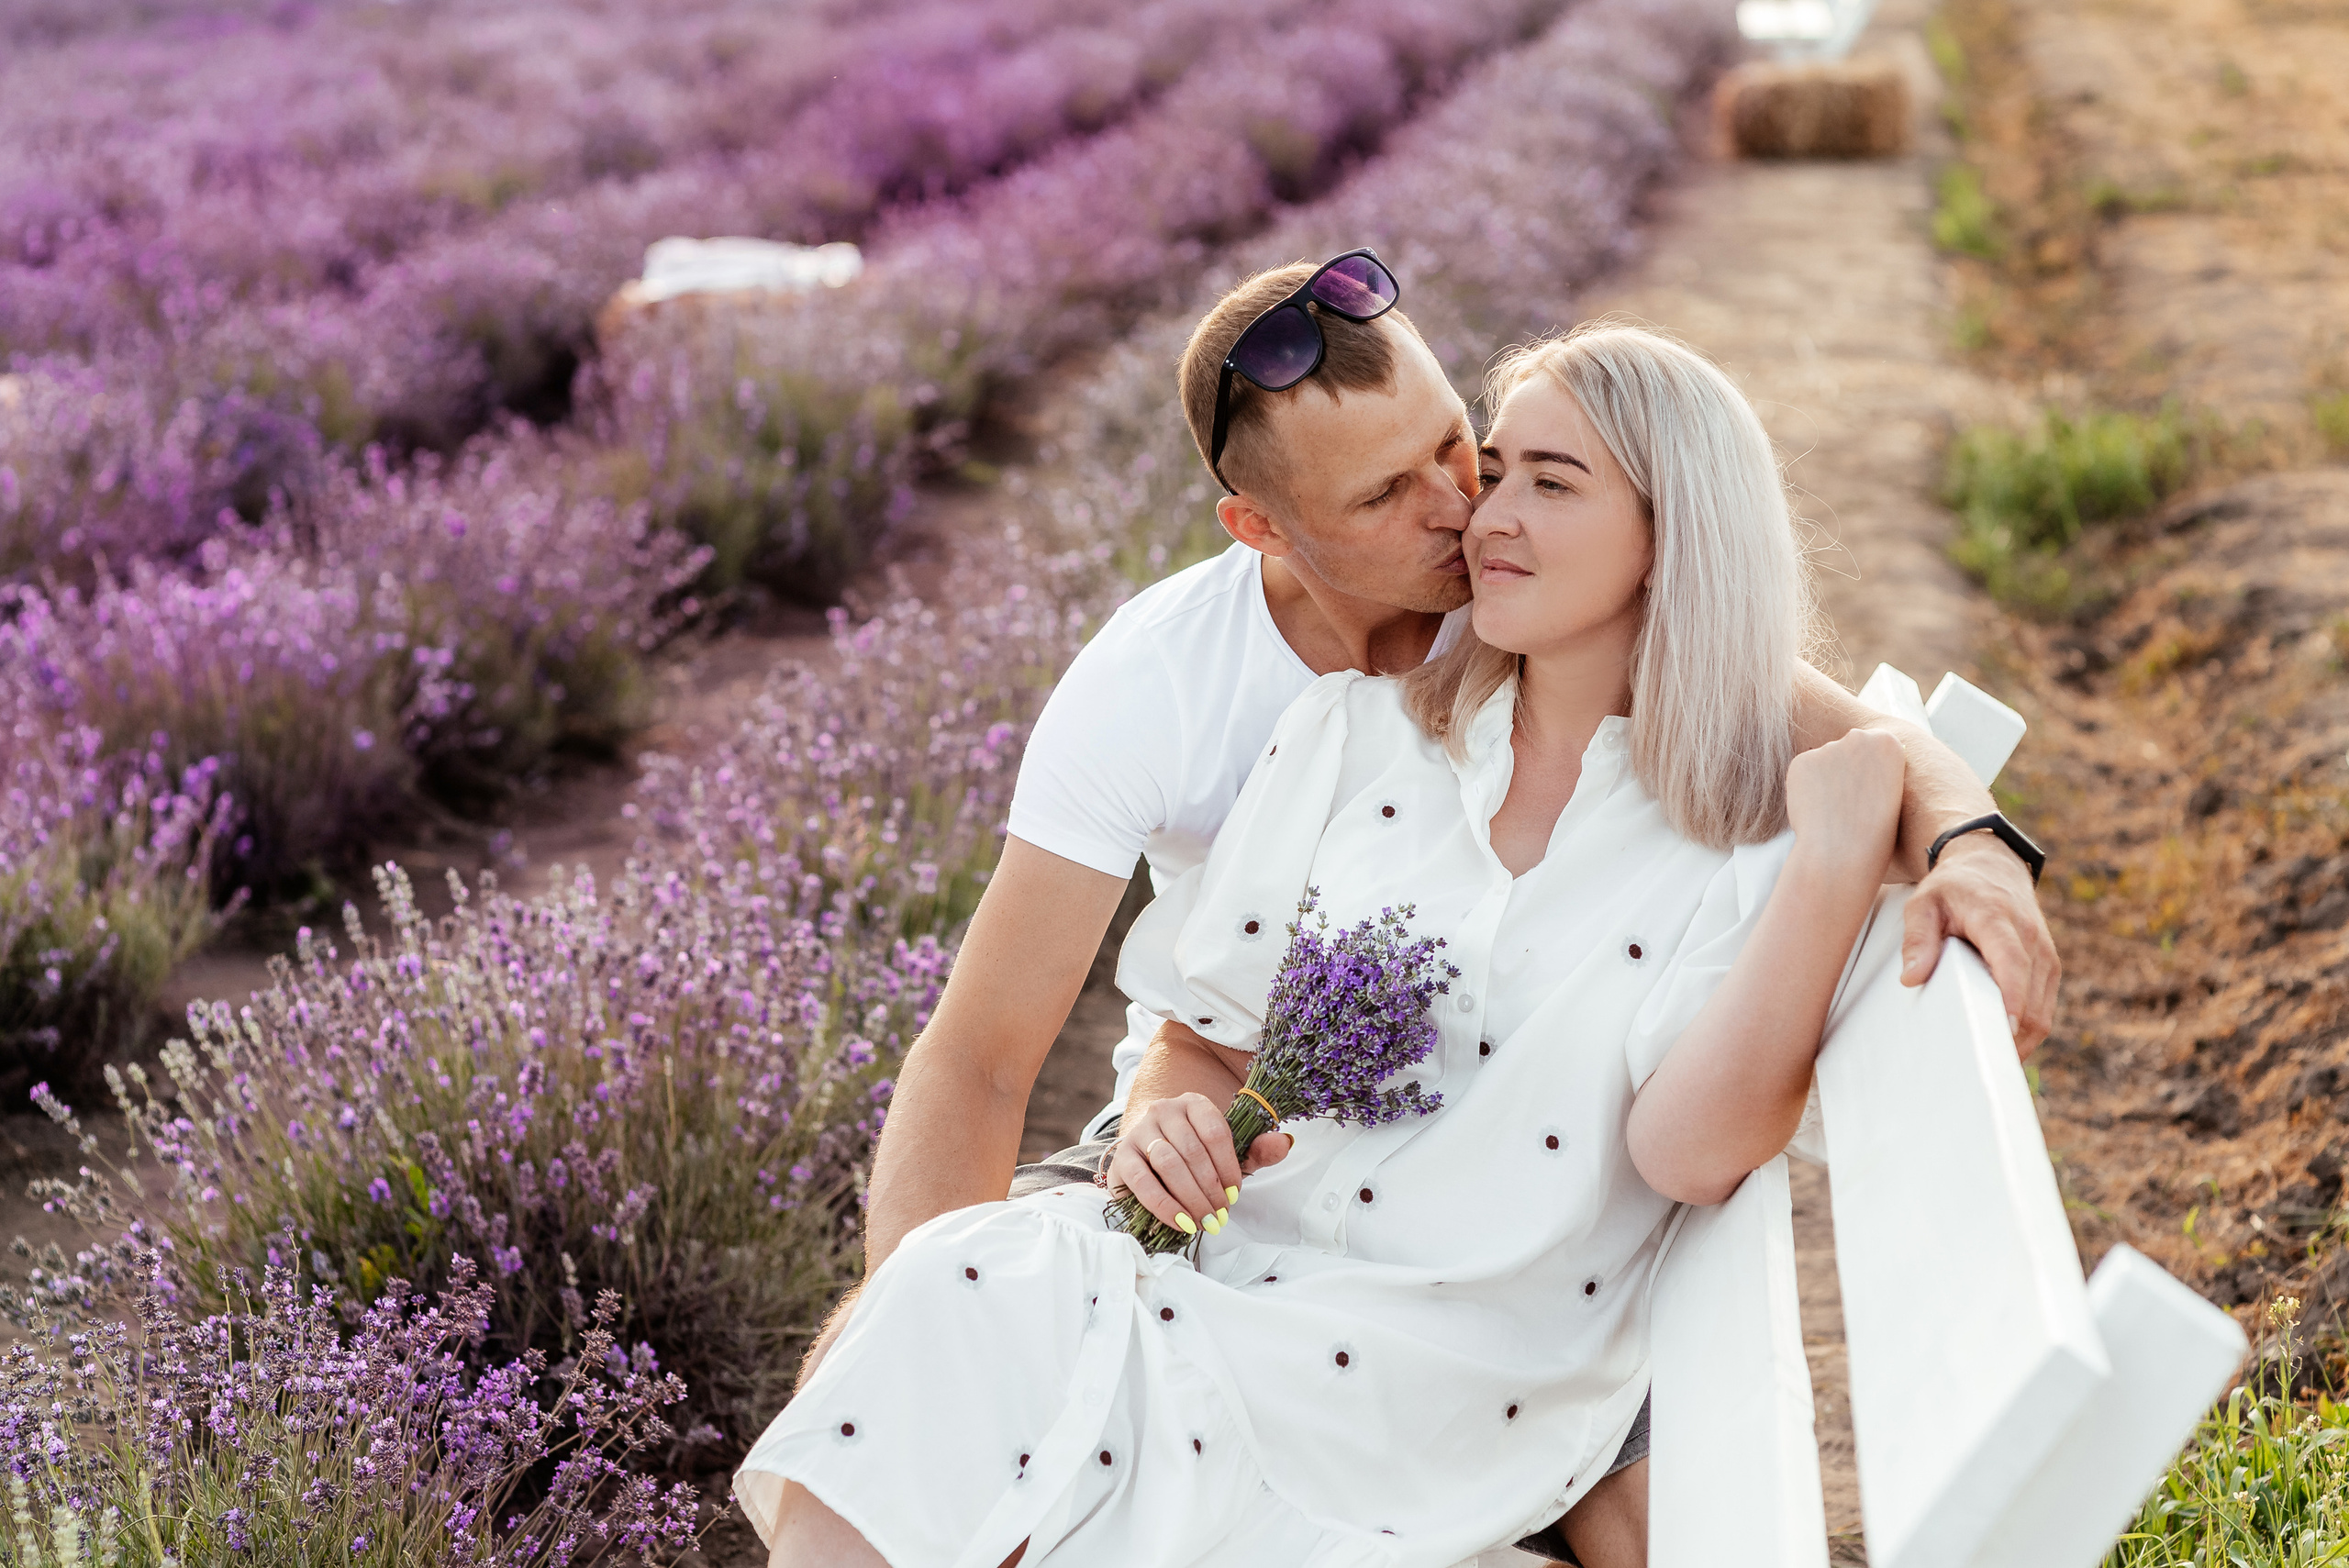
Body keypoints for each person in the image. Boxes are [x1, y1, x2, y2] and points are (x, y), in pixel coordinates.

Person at [737, 322, 1913, 1566]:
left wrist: (1866, 858)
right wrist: (1169, 1122)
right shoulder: (1342, 728)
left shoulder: (1728, 836)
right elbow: (1171, 1039)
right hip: (1231, 1258)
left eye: (1517, 473)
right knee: (944, 1288)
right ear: (1267, 528)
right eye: (1493, 470)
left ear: (1674, 535)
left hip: (1453, 1364)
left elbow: (1689, 1147)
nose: (1478, 512)